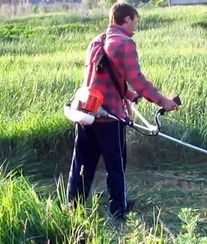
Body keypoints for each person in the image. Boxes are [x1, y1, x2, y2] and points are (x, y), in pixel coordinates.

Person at [67, 2, 178, 220]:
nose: (136, 26)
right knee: (115, 167)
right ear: (126, 19)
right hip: (110, 119)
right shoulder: (125, 43)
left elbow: (100, 79)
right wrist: (163, 101)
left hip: (87, 114)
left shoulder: (95, 42)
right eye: (135, 21)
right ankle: (118, 212)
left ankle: (73, 210)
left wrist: (130, 96)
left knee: (81, 164)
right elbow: (137, 80)